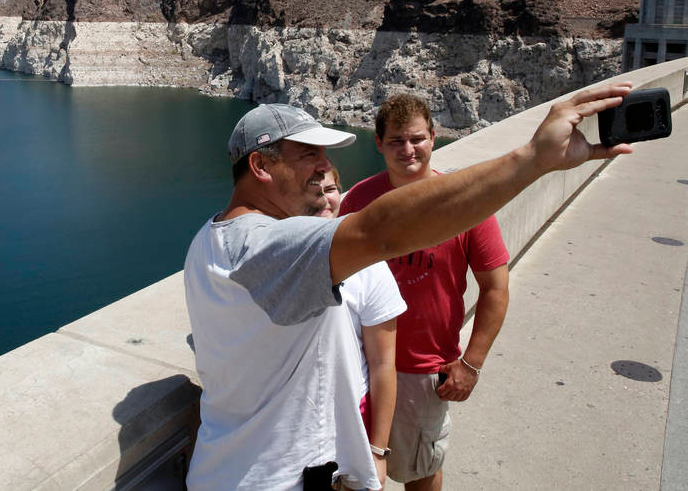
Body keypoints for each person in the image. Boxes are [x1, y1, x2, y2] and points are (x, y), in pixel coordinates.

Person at [183, 83, 633, 491]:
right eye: (308, 156)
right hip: (282, 479)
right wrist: (531, 159)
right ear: (261, 165)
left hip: (220, 469)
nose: (325, 169)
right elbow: (383, 230)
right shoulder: (272, 245)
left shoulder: (207, 240)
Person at [338, 94, 510, 491]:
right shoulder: (360, 200)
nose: (408, 150)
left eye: (417, 138)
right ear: (378, 143)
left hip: (423, 368)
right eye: (396, 141)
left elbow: (496, 287)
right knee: (354, 468)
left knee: (422, 467)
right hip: (360, 362)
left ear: (434, 138)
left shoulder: (463, 202)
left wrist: (472, 363)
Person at [318, 164, 405, 489]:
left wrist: (378, 451)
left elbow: (383, 364)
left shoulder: (368, 265)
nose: (323, 199)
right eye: (312, 190)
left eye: (329, 189)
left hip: (354, 416)